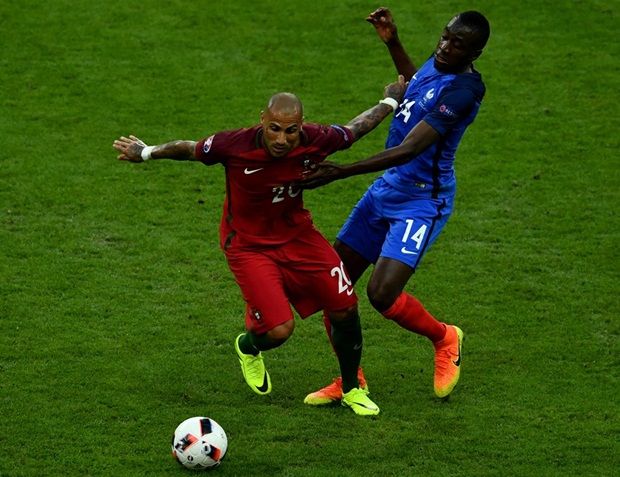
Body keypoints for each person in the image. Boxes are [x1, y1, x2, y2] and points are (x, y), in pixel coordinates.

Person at [112, 78, 407, 416]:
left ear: (301, 126)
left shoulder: (316, 139)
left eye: (291, 131)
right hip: (248, 245)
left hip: (299, 237)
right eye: (275, 129)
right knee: (279, 331)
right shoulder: (233, 145)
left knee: (345, 308)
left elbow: (353, 130)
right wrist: (145, 152)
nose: (282, 139)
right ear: (263, 121)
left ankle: (352, 389)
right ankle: (248, 346)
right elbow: (189, 149)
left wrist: (389, 102)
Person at [298, 8, 490, 404]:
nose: (444, 46)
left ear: (474, 54)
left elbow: (410, 148)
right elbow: (419, 87)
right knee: (333, 284)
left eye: (457, 44)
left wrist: (341, 171)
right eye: (445, 35)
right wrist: (393, 43)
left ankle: (445, 337)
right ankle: (351, 381)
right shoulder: (439, 64)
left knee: (382, 293)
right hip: (388, 188)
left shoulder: (465, 92)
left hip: (423, 200)